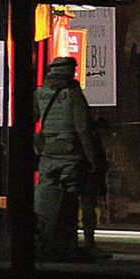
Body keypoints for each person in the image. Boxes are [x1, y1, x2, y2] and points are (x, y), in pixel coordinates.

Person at [34, 55, 108, 262]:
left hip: (48, 155)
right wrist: (93, 159)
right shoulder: (73, 95)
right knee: (77, 199)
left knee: (47, 199)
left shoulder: (40, 94)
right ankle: (81, 244)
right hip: (72, 155)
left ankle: (46, 241)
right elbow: (83, 128)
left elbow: (31, 121)